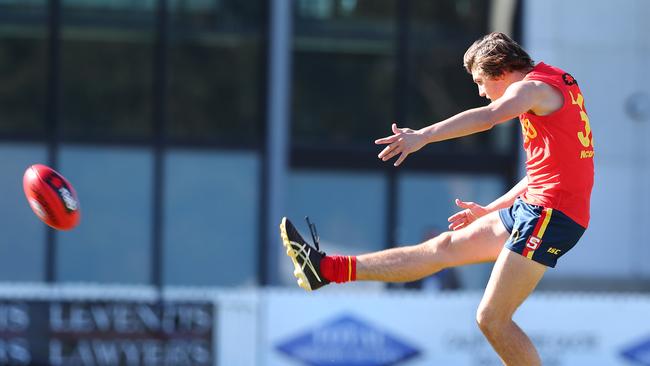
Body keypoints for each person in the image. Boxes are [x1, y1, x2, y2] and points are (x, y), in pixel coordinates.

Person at [279, 32, 594, 366]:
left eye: (481, 82)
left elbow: (488, 118)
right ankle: (326, 269)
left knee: (491, 318)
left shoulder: (529, 89)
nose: (481, 92)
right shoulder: (551, 84)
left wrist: (423, 136)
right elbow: (545, 172)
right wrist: (490, 209)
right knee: (441, 249)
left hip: (550, 215)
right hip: (536, 208)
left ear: (500, 71)